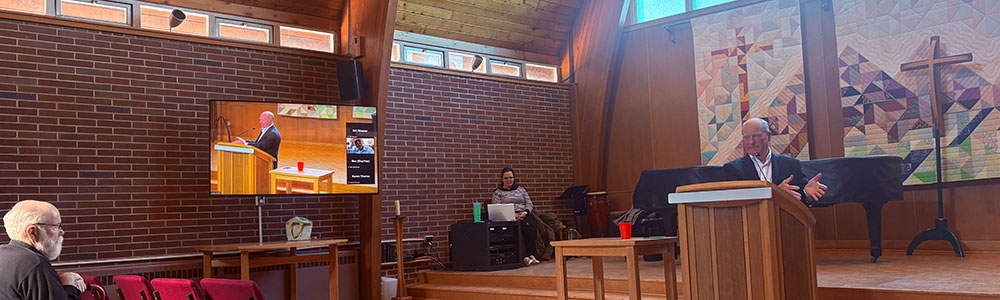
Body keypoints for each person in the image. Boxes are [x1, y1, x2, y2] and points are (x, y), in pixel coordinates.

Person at [723, 118, 827, 203]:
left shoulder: (791, 165)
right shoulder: (733, 169)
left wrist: (806, 193)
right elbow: (736, 202)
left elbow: (801, 198)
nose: (751, 142)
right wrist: (777, 192)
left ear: (768, 137)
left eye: (756, 136)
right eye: (746, 137)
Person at [0, 200, 86, 300]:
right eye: (56, 226)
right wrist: (70, 287)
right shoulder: (34, 264)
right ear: (32, 232)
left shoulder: (3, 254)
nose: (61, 232)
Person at [491, 167, 543, 266]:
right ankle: (524, 257)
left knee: (531, 227)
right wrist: (512, 214)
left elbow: (529, 203)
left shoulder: (521, 190)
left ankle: (531, 254)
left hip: (523, 214)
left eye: (511, 177)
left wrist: (525, 212)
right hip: (508, 216)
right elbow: (497, 207)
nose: (509, 180)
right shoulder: (498, 192)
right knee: (519, 229)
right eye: (506, 178)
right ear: (502, 179)